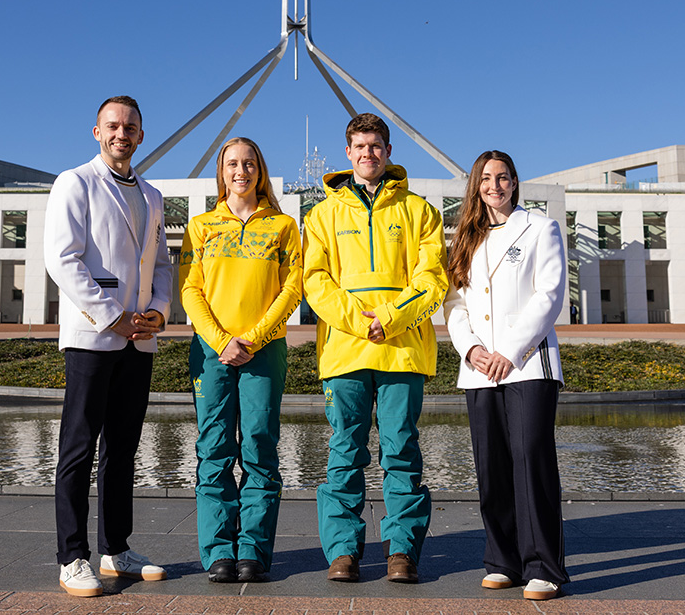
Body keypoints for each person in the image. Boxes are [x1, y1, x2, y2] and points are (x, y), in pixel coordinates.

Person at [302, 113, 446, 584]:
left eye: (376, 145)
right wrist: (363, 325)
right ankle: (343, 551)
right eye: (360, 146)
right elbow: (315, 282)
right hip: (345, 352)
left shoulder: (420, 211)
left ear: (388, 151)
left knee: (401, 451)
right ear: (348, 152)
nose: (368, 153)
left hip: (402, 350)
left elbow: (432, 279)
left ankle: (401, 550)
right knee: (345, 452)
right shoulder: (321, 216)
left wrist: (391, 318)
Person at [44, 95, 172, 597]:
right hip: (93, 337)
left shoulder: (153, 195)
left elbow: (161, 264)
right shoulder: (75, 182)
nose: (122, 134)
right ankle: (72, 557)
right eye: (113, 126)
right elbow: (63, 259)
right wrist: (112, 316)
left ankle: (116, 548)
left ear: (141, 135)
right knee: (78, 448)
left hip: (138, 340)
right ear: (97, 132)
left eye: (130, 127)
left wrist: (158, 311)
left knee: (122, 449)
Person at [443, 150, 570, 600]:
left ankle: (544, 567)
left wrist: (510, 352)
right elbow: (455, 303)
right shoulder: (465, 237)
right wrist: (472, 349)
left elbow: (549, 294)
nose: (493, 186)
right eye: (485, 178)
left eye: (502, 178)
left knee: (531, 458)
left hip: (528, 364)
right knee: (491, 466)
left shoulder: (540, 228)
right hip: (480, 369)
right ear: (475, 186)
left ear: (515, 182)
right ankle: (502, 561)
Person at [179, 137, 303, 583]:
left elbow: (292, 288)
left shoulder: (284, 227)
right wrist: (220, 340)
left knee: (259, 448)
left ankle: (252, 549)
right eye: (232, 163)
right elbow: (190, 289)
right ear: (221, 171)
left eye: (249, 163)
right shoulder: (201, 227)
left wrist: (253, 337)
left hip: (263, 352)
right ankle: (218, 550)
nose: (241, 171)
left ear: (260, 170)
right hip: (211, 353)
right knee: (213, 449)